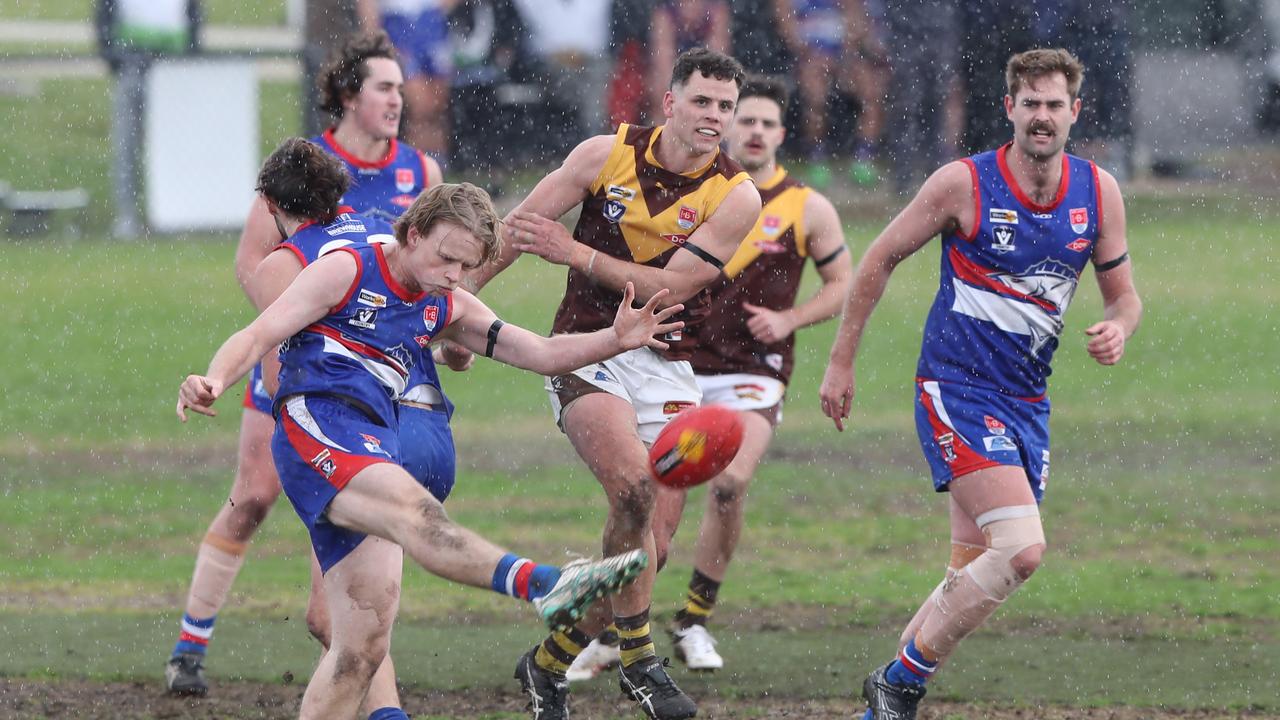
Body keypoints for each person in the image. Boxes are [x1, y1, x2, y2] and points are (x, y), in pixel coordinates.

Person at [176, 181, 678, 720]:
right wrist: (213, 378)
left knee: (360, 649)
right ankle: (549, 585)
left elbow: (541, 352)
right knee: (417, 515)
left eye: (465, 267)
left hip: (374, 437)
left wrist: (616, 338)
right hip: (318, 425)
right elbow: (257, 335)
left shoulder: (446, 302)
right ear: (413, 233)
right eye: (445, 258)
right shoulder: (346, 269)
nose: (453, 276)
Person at [818, 49, 1142, 720]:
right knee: (1022, 551)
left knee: (966, 573)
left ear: (1075, 112)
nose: (1042, 117)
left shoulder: (1098, 191)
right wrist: (841, 362)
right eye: (1031, 104)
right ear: (1010, 109)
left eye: (1055, 105)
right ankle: (899, 682)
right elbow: (878, 259)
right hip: (956, 390)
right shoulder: (963, 184)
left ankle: (878, 709)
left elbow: (1125, 299)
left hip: (1027, 401)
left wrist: (1118, 327)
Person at [468, 46, 761, 720]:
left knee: (648, 545)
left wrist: (574, 251)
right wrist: (459, 308)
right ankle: (641, 663)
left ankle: (546, 664)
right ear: (670, 102)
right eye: (702, 102)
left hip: (668, 363)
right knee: (630, 488)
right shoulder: (605, 154)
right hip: (583, 348)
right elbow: (517, 230)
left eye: (725, 106)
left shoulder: (736, 194)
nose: (714, 117)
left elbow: (675, 286)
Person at [164, 29, 442, 697]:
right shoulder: (307, 168)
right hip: (293, 364)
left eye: (401, 89)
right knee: (253, 495)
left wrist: (433, 334)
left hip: (376, 381)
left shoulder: (420, 174)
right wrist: (286, 352)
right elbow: (254, 269)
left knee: (354, 515)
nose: (398, 100)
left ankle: (355, 655)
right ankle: (190, 645)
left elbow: (433, 270)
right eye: (384, 87)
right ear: (348, 95)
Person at [566, 75, 853, 680]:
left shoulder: (805, 206)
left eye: (763, 121)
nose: (749, 129)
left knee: (728, 483)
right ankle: (591, 633)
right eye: (740, 117)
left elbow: (843, 285)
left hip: (750, 374)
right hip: (680, 367)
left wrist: (791, 317)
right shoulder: (702, 190)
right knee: (653, 535)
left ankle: (694, 618)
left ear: (780, 132)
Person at [357, 0, 457, 158]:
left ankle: (437, 168)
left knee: (439, 107)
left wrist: (436, 11)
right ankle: (418, 167)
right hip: (399, 23)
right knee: (419, 108)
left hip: (431, 20)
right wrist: (372, 34)